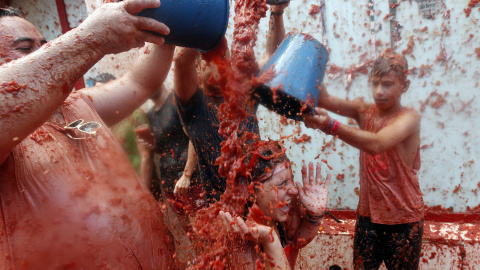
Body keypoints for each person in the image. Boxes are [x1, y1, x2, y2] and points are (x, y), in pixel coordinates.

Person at [0, 2, 176, 268]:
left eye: (44, 44)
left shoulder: (77, 102)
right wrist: (91, 37)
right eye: (25, 48)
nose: (44, 52)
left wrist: (167, 28)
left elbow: (139, 82)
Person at [303, 52, 424, 269]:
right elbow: (324, 99)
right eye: (375, 83)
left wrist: (329, 125)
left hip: (403, 221)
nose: (379, 91)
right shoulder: (365, 111)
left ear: (404, 86)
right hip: (368, 219)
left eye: (387, 84)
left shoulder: (410, 118)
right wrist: (314, 60)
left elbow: (377, 144)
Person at [173, 2, 290, 205]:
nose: (219, 66)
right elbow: (181, 62)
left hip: (257, 200)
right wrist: (205, 22)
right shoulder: (194, 104)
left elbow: (273, 56)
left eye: (224, 59)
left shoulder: (243, 93)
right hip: (218, 207)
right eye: (209, 61)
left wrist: (277, 12)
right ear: (198, 72)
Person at [218, 140, 331, 269]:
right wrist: (269, 239)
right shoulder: (241, 241)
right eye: (282, 185)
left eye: (291, 180)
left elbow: (296, 241)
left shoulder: (282, 214)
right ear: (250, 193)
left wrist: (315, 216)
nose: (294, 190)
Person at [136, 84, 204, 268]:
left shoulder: (176, 101)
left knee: (202, 229)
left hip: (191, 180)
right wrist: (151, 145)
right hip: (170, 183)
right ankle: (204, 262)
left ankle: (214, 262)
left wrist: (187, 175)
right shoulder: (150, 115)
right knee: (189, 231)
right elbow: (164, 146)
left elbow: (194, 136)